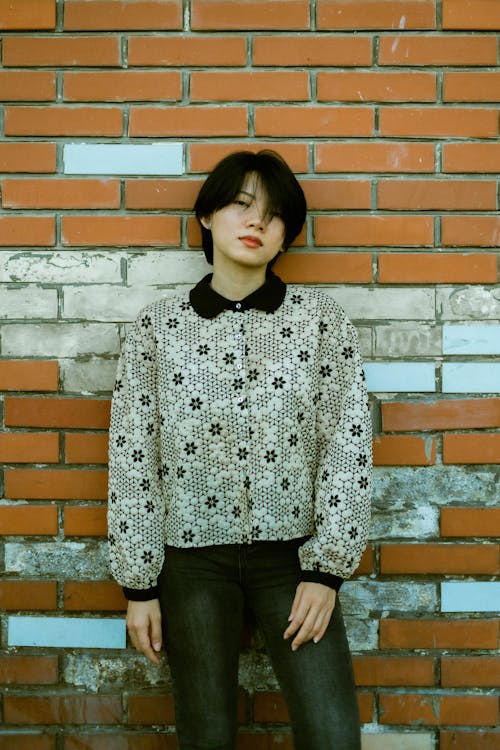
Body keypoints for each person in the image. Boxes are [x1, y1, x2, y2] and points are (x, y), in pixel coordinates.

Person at [108, 149, 372, 750]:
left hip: (294, 562)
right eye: (241, 205)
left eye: (275, 216)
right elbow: (132, 459)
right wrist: (139, 585)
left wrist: (327, 571)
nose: (256, 223)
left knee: (333, 734)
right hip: (190, 564)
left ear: (287, 236)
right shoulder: (158, 328)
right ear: (206, 216)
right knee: (206, 735)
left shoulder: (322, 324)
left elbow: (348, 447)